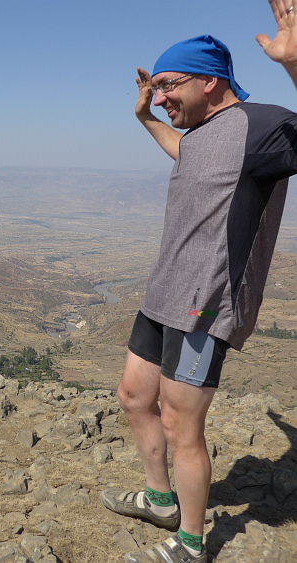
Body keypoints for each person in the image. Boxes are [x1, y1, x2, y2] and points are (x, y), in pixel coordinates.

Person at [101, 3, 297, 562]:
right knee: (135, 397)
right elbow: (184, 152)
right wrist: (146, 119)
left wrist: (295, 64)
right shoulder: (203, 133)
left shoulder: (259, 128)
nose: (159, 95)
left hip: (203, 306)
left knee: (180, 422)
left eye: (167, 85)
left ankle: (191, 544)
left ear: (209, 81)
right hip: (162, 294)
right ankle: (161, 499)